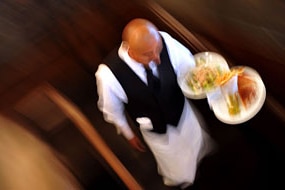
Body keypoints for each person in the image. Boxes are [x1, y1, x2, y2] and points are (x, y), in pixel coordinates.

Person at [95, 18, 213, 188]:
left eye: (158, 49)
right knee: (174, 161)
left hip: (182, 112)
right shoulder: (108, 76)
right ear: (130, 50)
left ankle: (199, 159)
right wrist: (128, 134)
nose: (157, 58)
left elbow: (188, 66)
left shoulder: (163, 40)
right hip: (157, 129)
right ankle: (185, 179)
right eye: (148, 54)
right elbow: (112, 110)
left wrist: (208, 86)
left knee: (194, 140)